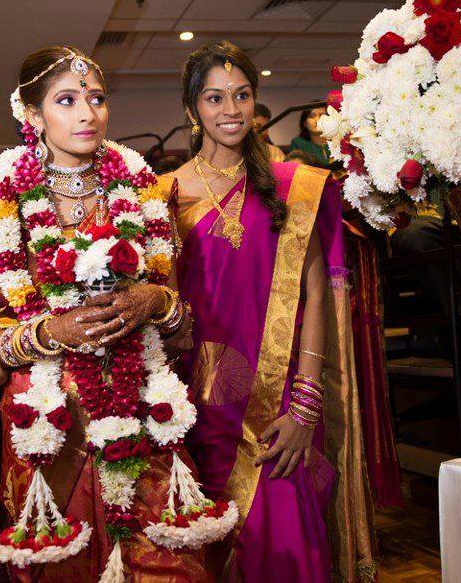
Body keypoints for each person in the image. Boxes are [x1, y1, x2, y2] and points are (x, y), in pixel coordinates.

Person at [0, 45, 213, 581]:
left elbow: (181, 326)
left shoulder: (144, 190)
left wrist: (154, 300)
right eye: (67, 100)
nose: (87, 113)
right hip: (51, 419)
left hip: (142, 404)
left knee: (166, 563)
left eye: (97, 98)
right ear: (32, 115)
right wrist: (50, 333)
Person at [168, 41, 376, 582]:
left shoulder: (297, 186)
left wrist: (305, 403)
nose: (230, 110)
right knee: (202, 542)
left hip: (275, 396)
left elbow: (316, 296)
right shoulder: (160, 194)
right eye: (214, 98)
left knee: (285, 534)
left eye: (241, 95)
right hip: (192, 400)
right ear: (194, 110)